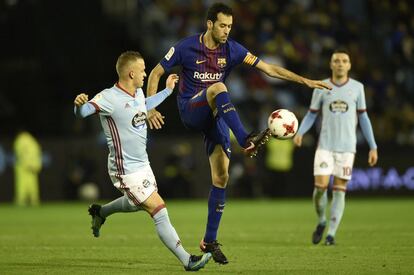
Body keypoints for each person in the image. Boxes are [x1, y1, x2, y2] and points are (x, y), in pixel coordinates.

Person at [146, 3, 332, 264]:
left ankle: (209, 240)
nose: (227, 31)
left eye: (230, 26)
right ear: (209, 24)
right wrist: (150, 106)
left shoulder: (233, 49)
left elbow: (269, 69)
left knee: (221, 177)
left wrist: (306, 81)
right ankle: (245, 138)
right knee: (218, 86)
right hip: (191, 109)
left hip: (216, 116)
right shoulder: (186, 46)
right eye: (222, 25)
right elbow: (156, 72)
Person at [73, 51, 211, 271]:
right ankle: (187, 260)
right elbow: (84, 111)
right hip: (125, 169)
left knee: (136, 204)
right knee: (158, 208)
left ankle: (101, 212)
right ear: (130, 72)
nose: (146, 73)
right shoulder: (109, 97)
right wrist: (79, 103)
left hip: (143, 165)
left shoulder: (136, 93)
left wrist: (167, 91)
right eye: (143, 69)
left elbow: (144, 104)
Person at [293, 49, 378, 245]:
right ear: (331, 64)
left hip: (348, 148)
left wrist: (373, 146)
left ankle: (331, 234)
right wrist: (300, 132)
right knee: (321, 188)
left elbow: (364, 117)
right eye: (336, 60)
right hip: (325, 147)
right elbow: (312, 114)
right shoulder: (321, 87)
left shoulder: (357, 88)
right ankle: (322, 220)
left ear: (349, 65)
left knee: (339, 191)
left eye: (344, 61)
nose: (340, 63)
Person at [13, 130, 42, 206]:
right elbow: (38, 153)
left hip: (22, 166)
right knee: (32, 184)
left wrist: (25, 163)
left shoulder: (19, 140)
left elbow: (18, 153)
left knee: (22, 184)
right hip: (33, 166)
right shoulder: (33, 141)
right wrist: (37, 165)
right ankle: (34, 200)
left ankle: (21, 200)